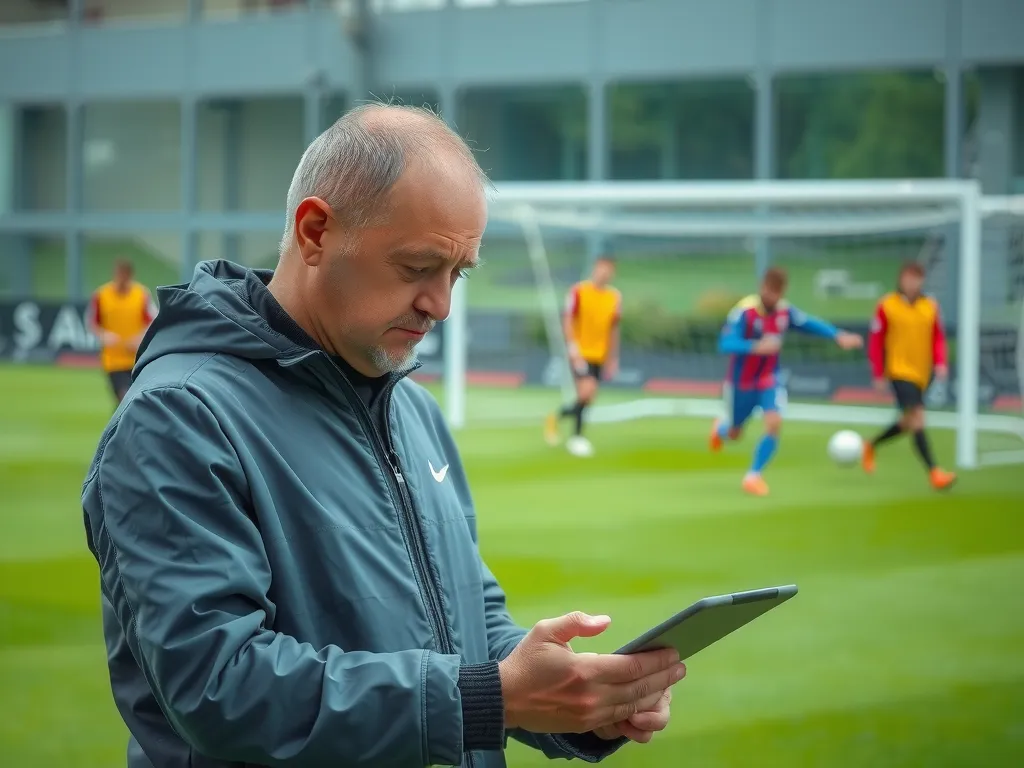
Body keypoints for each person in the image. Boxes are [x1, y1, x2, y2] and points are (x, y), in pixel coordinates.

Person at [81, 104, 686, 768]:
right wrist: (491, 699)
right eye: (417, 267)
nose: (442, 304)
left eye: (458, 273)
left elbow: (469, 620)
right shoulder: (180, 416)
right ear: (315, 232)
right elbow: (220, 687)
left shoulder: (411, 409)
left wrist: (579, 702)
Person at [710, 267, 864, 496]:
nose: (772, 297)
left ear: (782, 292)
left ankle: (753, 476)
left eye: (777, 292)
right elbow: (725, 343)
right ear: (762, 287)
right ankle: (721, 429)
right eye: (769, 291)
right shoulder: (745, 311)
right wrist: (755, 347)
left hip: (768, 379)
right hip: (740, 383)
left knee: (774, 422)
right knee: (734, 433)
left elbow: (809, 324)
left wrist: (837, 335)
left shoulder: (784, 312)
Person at [863, 261, 957, 490]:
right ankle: (934, 472)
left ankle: (871, 445)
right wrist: (878, 371)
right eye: (907, 277)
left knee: (908, 423)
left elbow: (938, 337)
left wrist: (941, 363)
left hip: (922, 373)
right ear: (900, 279)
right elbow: (876, 340)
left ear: (921, 280)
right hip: (898, 370)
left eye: (916, 278)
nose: (911, 282)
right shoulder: (887, 305)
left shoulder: (930, 306)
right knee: (917, 417)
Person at [544, 255, 621, 457]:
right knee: (587, 391)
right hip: (581, 352)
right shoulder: (579, 291)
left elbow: (614, 329)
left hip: (600, 355)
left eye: (609, 269)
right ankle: (577, 438)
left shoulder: (614, 297)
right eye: (602, 268)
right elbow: (568, 319)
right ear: (595, 268)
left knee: (587, 398)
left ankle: (557, 417)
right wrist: (572, 348)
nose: (605, 273)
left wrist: (613, 358)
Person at [85, 259, 156, 404]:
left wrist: (139, 338)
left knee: (131, 402)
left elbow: (154, 321)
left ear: (130, 275)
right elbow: (92, 322)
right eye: (119, 274)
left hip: (138, 359)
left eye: (124, 275)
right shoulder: (102, 295)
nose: (121, 279)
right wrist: (104, 335)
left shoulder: (141, 294)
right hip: (113, 360)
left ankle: (120, 425)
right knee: (125, 397)